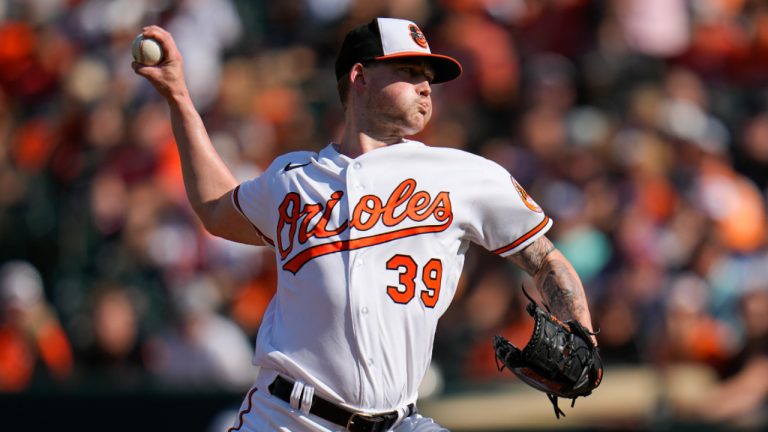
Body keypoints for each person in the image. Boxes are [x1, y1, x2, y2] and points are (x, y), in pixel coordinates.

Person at [133, 17, 597, 432]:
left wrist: (583, 332)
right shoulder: (294, 179)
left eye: (429, 78)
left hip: (399, 421)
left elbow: (545, 258)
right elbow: (216, 209)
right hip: (287, 418)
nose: (425, 87)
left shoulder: (464, 175)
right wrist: (178, 96)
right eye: (410, 73)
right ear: (360, 76)